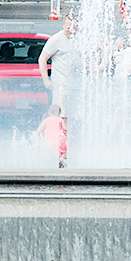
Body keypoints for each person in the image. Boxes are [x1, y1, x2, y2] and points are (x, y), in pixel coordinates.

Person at [38, 13, 82, 163]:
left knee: (73, 119)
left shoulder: (78, 40)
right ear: (63, 25)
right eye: (68, 26)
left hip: (74, 87)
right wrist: (46, 80)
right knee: (62, 119)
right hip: (61, 86)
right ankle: (60, 153)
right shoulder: (56, 39)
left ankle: (70, 152)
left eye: (74, 27)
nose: (71, 30)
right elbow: (42, 59)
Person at [37, 104, 68, 168]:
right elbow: (65, 129)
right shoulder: (60, 119)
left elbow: (39, 130)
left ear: (49, 112)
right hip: (59, 140)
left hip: (49, 140)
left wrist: (37, 136)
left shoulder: (46, 120)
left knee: (49, 155)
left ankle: (48, 164)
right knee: (63, 151)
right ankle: (61, 159)